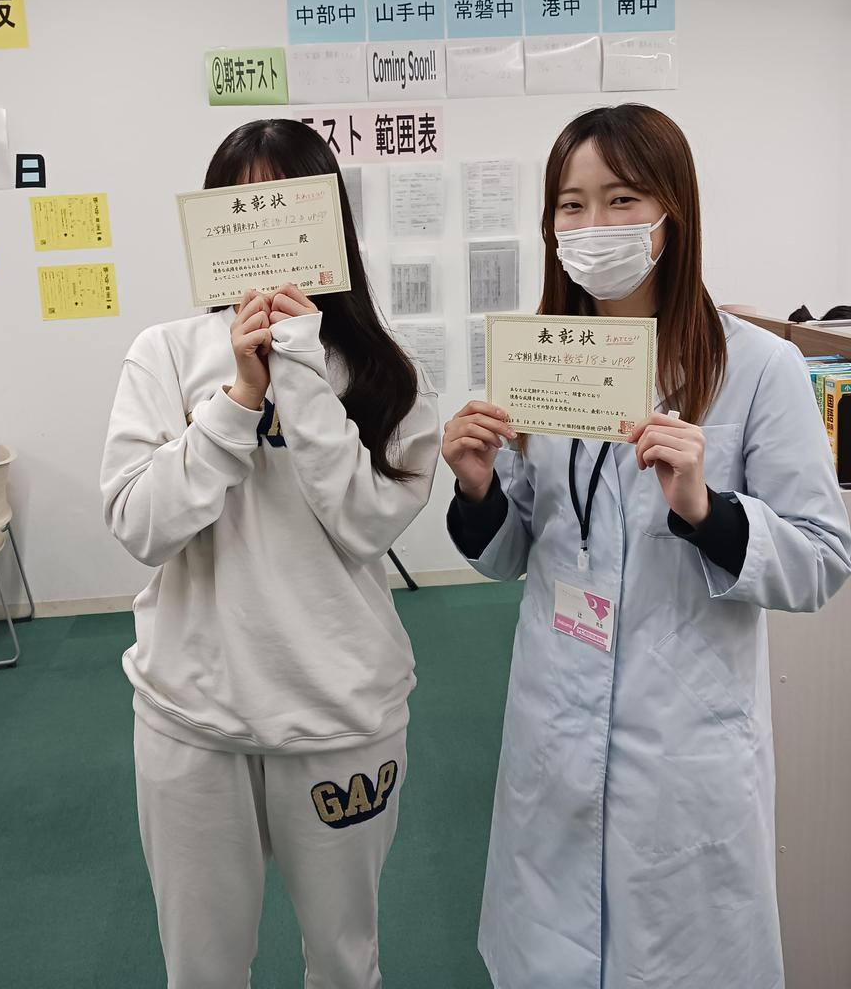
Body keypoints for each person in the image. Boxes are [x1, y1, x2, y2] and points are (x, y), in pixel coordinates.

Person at [442, 103, 851, 988]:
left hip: (682, 740)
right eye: (572, 205)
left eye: (622, 199)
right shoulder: (542, 359)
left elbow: (822, 557)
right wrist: (477, 488)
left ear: (674, 211)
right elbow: (514, 549)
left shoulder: (759, 369)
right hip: (553, 719)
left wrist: (707, 510)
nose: (594, 226)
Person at [101, 119, 441, 989]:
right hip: (192, 715)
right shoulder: (165, 353)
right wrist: (239, 400)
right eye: (238, 209)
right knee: (202, 970)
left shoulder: (387, 373)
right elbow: (140, 524)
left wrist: (299, 373)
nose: (261, 234)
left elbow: (366, 524)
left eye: (284, 208)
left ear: (329, 225)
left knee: (345, 961)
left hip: (342, 715)